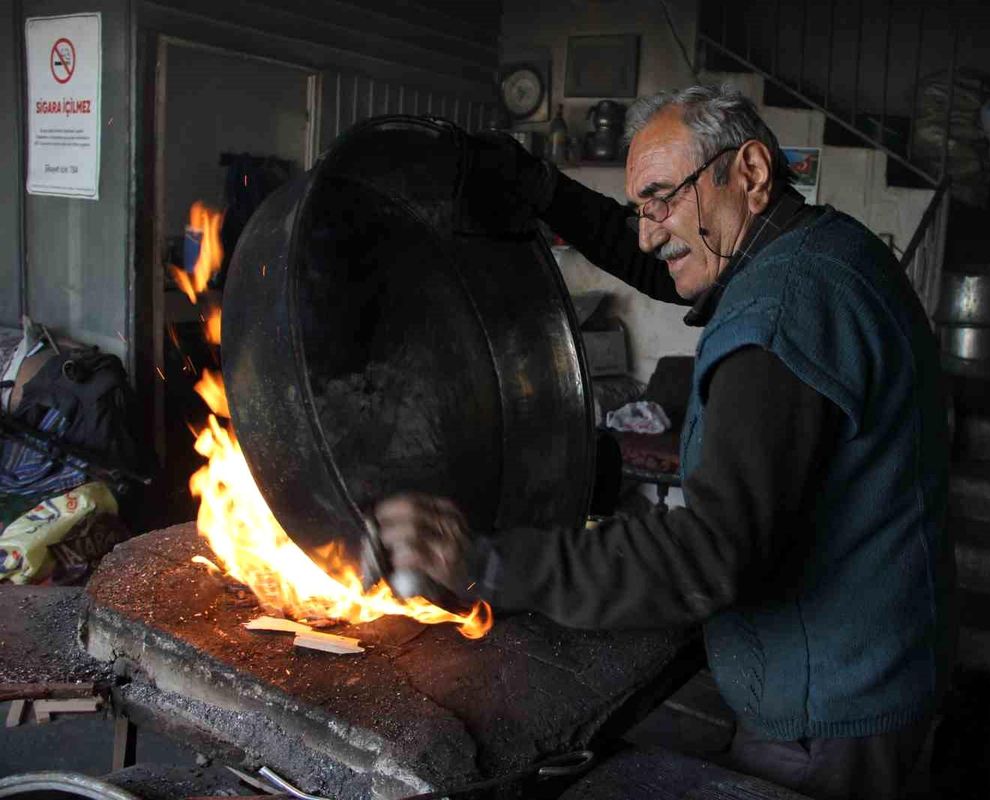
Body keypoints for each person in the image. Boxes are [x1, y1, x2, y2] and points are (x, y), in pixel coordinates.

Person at [376, 85, 954, 800]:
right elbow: (667, 259)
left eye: (660, 199)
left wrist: (489, 564)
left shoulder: (783, 310)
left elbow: (714, 549)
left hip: (828, 715)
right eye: (640, 209)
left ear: (748, 171)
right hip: (873, 668)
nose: (649, 233)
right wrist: (547, 190)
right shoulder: (819, 248)